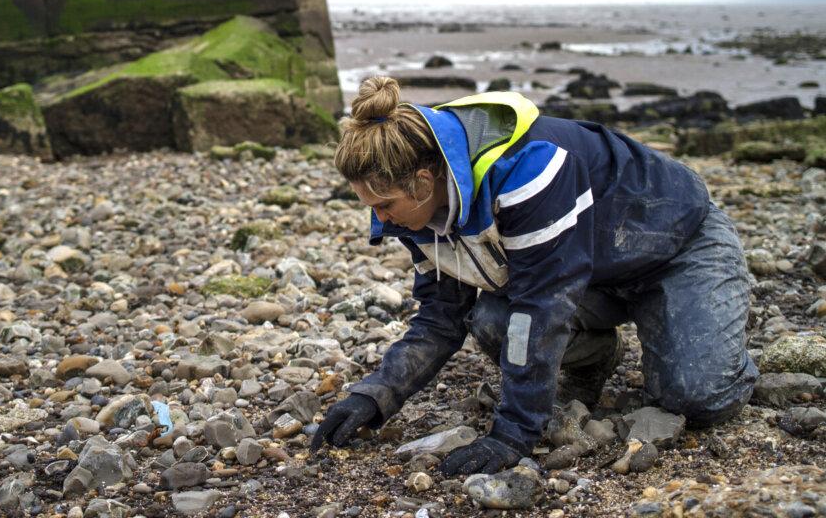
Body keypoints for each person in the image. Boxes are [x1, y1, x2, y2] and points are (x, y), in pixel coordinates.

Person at [309, 76, 757, 476]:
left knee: (697, 398)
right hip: (590, 273)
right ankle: (596, 356)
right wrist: (375, 395)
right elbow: (440, 317)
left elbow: (540, 309)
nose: (380, 218)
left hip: (677, 246)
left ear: (424, 182)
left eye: (384, 204)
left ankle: (721, 341)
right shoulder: (419, 213)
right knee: (491, 322)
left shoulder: (530, 170)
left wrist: (513, 434)